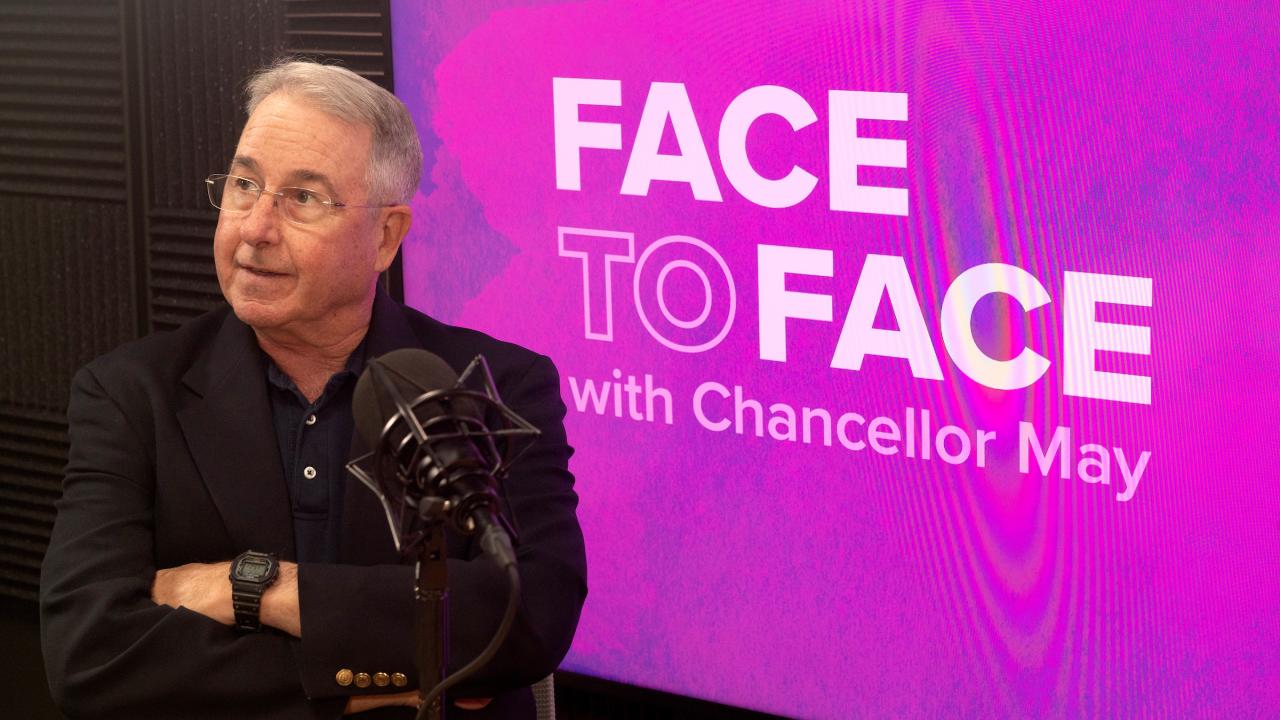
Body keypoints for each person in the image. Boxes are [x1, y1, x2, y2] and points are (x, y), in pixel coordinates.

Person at [39, 59, 587, 719]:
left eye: (302, 197)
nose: (253, 228)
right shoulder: (130, 394)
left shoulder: (495, 384)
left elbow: (527, 619)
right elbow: (91, 656)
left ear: (385, 237)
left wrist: (260, 591)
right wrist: (358, 684)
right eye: (245, 184)